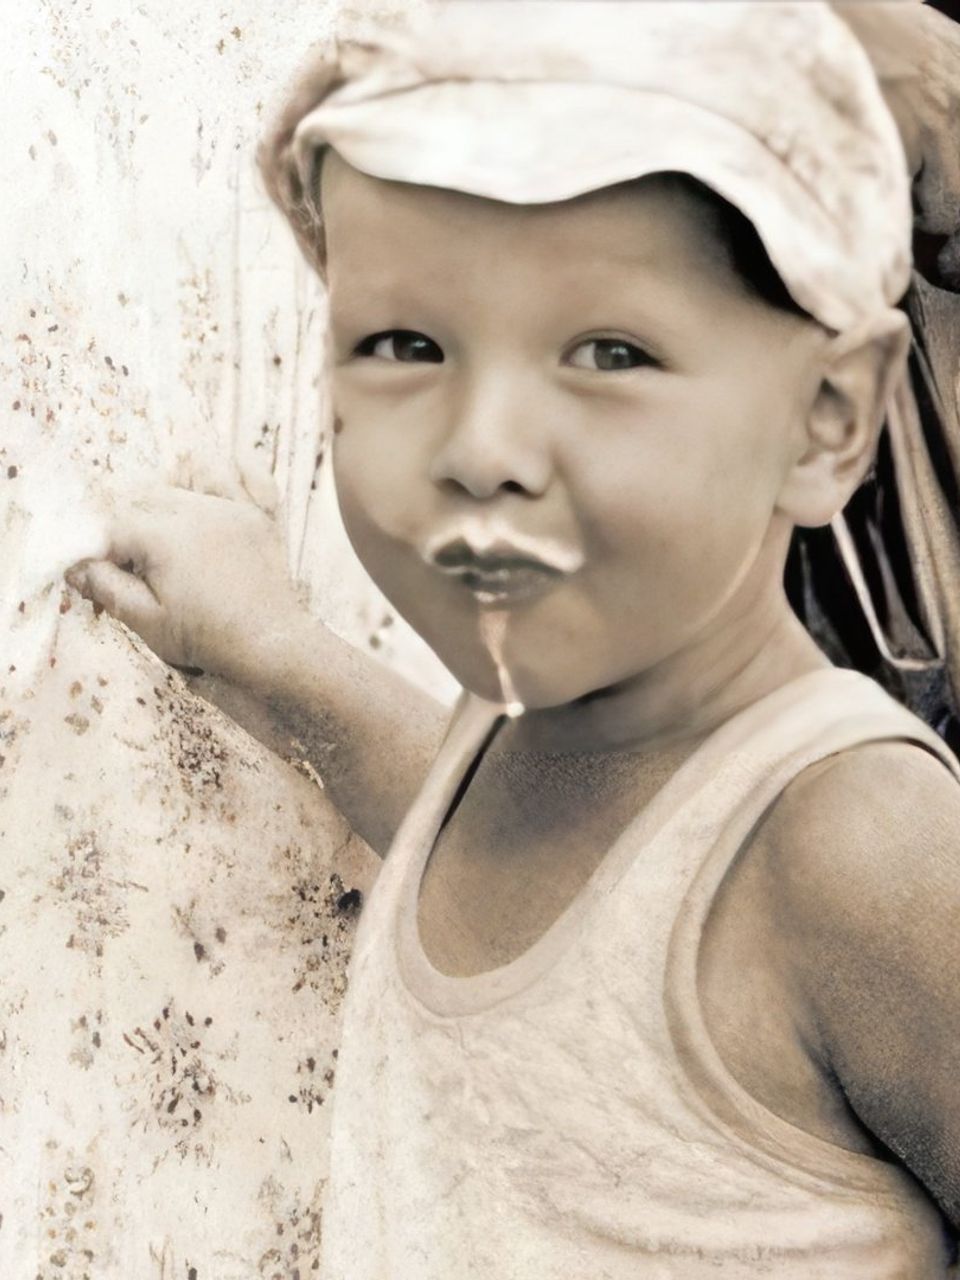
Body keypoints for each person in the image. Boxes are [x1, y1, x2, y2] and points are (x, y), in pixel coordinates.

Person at [66, 1, 960, 1274]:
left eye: (607, 351)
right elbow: (570, 914)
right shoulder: (514, 740)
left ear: (826, 417)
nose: (481, 447)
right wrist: (269, 648)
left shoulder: (858, 846)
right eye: (406, 343)